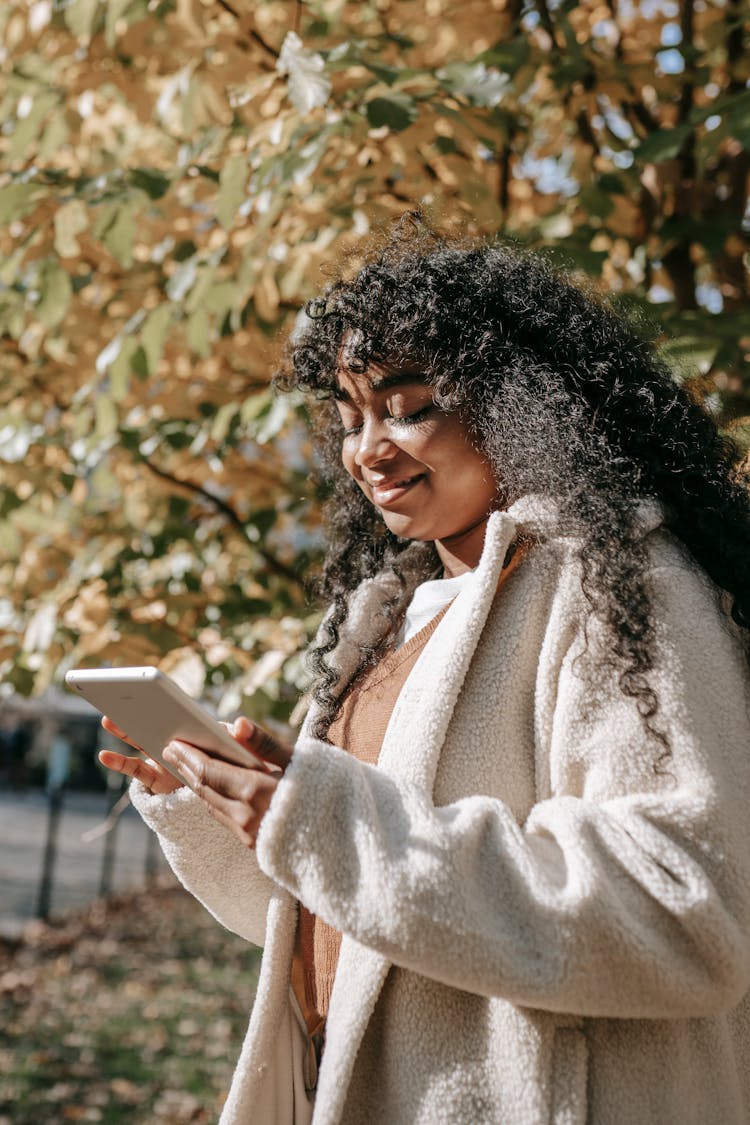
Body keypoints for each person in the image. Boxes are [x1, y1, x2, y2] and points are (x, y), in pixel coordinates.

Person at [99, 220, 750, 1125]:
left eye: (409, 407)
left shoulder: (625, 588)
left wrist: (324, 815)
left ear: (519, 401)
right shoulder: (386, 619)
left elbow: (689, 916)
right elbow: (352, 922)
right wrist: (223, 805)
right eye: (350, 415)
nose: (369, 449)